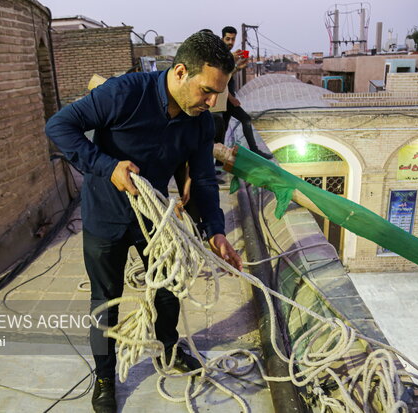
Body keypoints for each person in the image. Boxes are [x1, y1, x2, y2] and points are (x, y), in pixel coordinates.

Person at [45, 32, 243, 413]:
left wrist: (215, 231)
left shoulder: (200, 122)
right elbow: (59, 126)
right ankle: (105, 377)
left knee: (167, 286)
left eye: (218, 93)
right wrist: (107, 166)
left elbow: (202, 180)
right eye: (206, 91)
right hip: (105, 217)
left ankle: (168, 347)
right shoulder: (124, 94)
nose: (212, 101)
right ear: (180, 72)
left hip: (154, 217)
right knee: (105, 302)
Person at [221, 26, 273, 159]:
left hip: (225, 98)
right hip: (224, 98)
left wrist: (238, 67)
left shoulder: (227, 55)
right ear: (222, 38)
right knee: (245, 119)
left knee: (223, 129)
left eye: (233, 39)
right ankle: (255, 150)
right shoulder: (221, 55)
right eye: (228, 39)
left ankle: (219, 161)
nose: (230, 42)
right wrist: (231, 97)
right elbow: (219, 78)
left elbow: (228, 74)